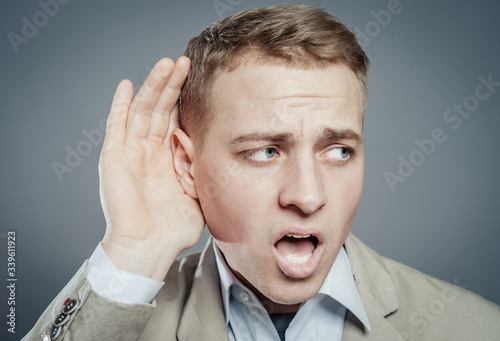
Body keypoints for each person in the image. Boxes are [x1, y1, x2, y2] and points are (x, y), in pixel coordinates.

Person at [23, 4, 500, 341]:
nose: (308, 197)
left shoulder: (477, 330)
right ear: (187, 165)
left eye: (337, 151)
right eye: (265, 152)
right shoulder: (124, 319)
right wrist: (133, 253)